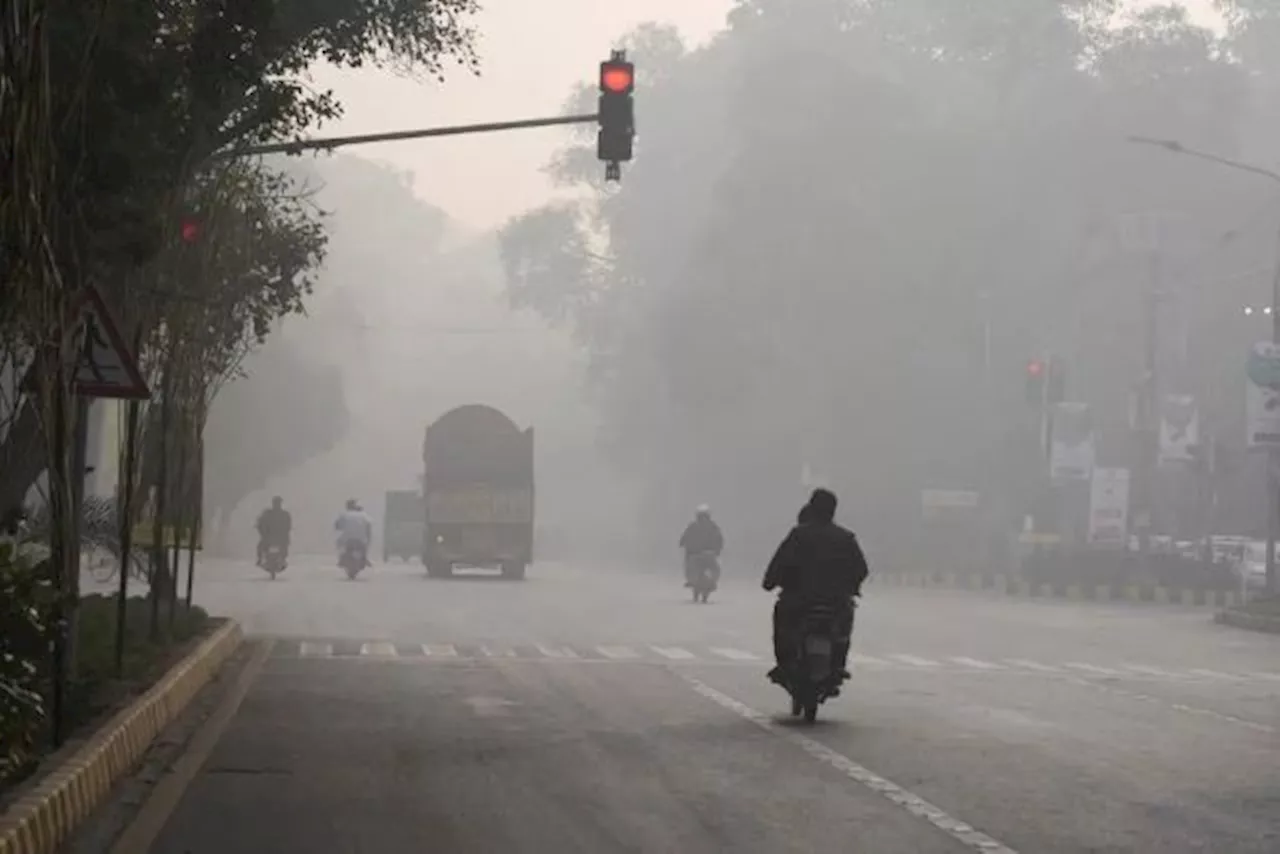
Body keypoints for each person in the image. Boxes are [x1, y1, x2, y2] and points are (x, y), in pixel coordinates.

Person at [763, 488, 868, 685]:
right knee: (843, 629)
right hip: (836, 601)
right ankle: (838, 664)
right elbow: (861, 569)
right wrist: (851, 587)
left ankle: (785, 663)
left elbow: (779, 562)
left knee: (783, 624)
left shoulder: (798, 535)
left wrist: (769, 582)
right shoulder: (845, 538)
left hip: (799, 600)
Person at [679, 505, 724, 586]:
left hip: (695, 554)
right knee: (716, 567)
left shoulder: (693, 525)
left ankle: (692, 581)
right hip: (708, 554)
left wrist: (681, 543)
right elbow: (719, 539)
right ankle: (713, 582)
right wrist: (718, 549)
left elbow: (685, 536)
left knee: (689, 565)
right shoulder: (713, 526)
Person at [334, 498, 374, 567]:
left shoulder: (344, 515)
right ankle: (365, 558)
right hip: (361, 540)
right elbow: (369, 525)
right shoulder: (364, 515)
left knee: (338, 542)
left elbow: (337, 525)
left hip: (347, 539)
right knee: (366, 544)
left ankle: (340, 559)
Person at [255, 496, 292, 567]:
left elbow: (288, 526)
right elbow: (261, 523)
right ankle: (260, 559)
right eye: (276, 503)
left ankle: (281, 559)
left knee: (284, 546)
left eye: (278, 503)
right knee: (261, 547)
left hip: (275, 537)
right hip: (271, 537)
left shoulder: (283, 514)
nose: (277, 504)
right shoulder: (269, 513)